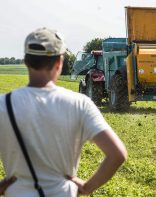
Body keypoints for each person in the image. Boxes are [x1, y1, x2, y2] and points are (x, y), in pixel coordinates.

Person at [0, 28, 127, 196]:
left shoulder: (3, 104)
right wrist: (87, 187)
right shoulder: (80, 104)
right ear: (59, 62)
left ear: (26, 61)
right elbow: (117, 154)